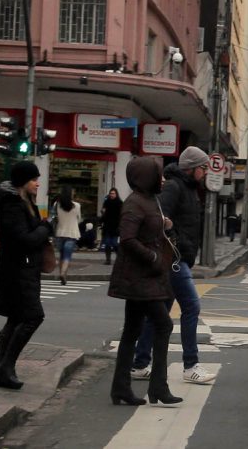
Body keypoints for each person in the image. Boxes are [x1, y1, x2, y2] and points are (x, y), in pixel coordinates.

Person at [131, 146, 217, 385]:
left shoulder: (189, 188)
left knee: (159, 314)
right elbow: (159, 220)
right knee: (191, 306)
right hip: (174, 259)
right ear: (191, 168)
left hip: (179, 257)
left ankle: (139, 364)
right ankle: (190, 365)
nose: (205, 172)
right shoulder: (174, 187)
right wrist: (175, 240)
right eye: (202, 167)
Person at [108, 156, 182, 407]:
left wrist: (164, 225)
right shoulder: (134, 204)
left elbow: (147, 229)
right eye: (157, 174)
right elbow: (127, 239)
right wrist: (152, 256)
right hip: (139, 277)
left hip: (147, 277)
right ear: (145, 177)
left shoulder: (150, 201)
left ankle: (121, 388)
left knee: (132, 330)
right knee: (163, 324)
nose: (162, 179)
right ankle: (158, 386)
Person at [0, 161, 52, 390]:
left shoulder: (26, 203)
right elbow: (24, 240)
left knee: (16, 318)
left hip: (25, 269)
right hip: (16, 270)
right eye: (34, 179)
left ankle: (1, 369)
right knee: (33, 316)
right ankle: (5, 366)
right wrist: (46, 228)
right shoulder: (12, 206)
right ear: (23, 181)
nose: (38, 183)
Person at [52, 187, 80, 285]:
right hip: (72, 234)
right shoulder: (76, 206)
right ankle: (63, 273)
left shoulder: (57, 205)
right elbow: (79, 218)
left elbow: (53, 217)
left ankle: (61, 274)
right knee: (67, 256)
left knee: (62, 256)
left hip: (60, 233)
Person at [101, 188, 123, 266]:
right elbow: (103, 212)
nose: (112, 195)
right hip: (107, 226)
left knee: (114, 243)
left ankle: (119, 258)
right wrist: (103, 213)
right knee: (107, 243)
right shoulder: (106, 202)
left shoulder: (119, 203)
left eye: (113, 193)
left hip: (115, 226)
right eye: (111, 193)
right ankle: (108, 260)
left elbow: (121, 215)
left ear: (116, 194)